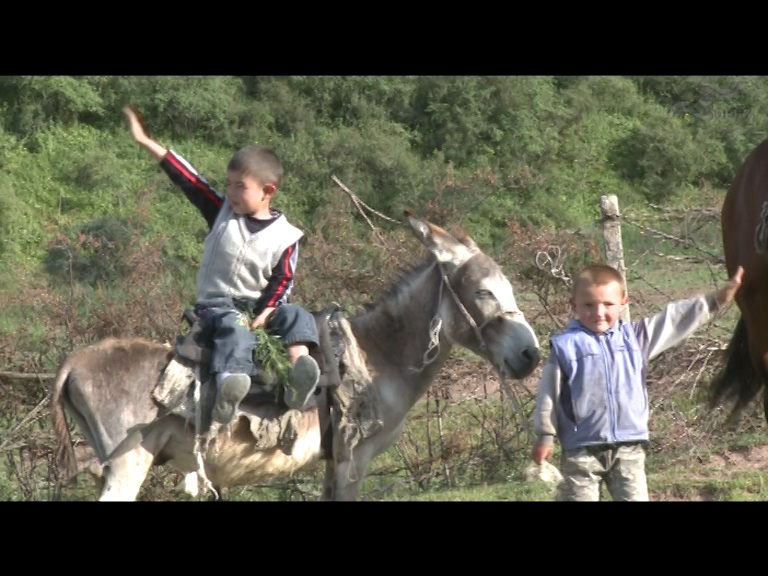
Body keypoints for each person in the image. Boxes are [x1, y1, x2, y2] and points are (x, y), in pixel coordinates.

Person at [122, 105, 321, 425]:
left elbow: (283, 281)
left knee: (297, 315)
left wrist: (268, 311)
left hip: (258, 308)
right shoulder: (221, 212)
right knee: (234, 328)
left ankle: (300, 371)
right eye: (229, 185)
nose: (231, 192)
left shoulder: (287, 236)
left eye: (239, 187)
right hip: (217, 308)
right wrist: (146, 141)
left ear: (268, 191)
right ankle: (232, 382)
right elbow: (190, 180)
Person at [531, 262, 744, 501]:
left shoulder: (637, 337)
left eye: (608, 304)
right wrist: (545, 436)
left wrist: (715, 300)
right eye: (589, 305)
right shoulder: (565, 346)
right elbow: (548, 395)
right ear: (574, 305)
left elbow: (674, 319)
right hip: (581, 451)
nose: (599, 312)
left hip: (629, 448)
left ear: (624, 303)